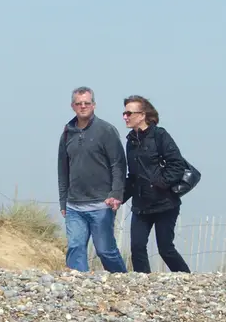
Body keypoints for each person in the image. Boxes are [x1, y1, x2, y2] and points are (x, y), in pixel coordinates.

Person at [57, 86, 127, 272]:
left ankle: (123, 281)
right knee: (75, 247)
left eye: (87, 103)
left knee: (105, 251)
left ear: (94, 105)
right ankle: (78, 288)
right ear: (72, 106)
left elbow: (119, 164)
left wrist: (116, 194)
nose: (83, 106)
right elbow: (62, 169)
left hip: (102, 204)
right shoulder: (67, 132)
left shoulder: (106, 130)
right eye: (79, 103)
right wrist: (63, 200)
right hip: (74, 206)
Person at [121, 96, 192, 273]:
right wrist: (117, 198)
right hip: (140, 206)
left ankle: (187, 279)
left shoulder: (160, 135)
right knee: (137, 248)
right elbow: (133, 176)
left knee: (165, 249)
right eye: (124, 113)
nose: (125, 117)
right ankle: (143, 285)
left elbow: (177, 165)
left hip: (165, 203)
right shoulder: (131, 141)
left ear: (142, 115)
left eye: (129, 113)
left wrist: (159, 184)